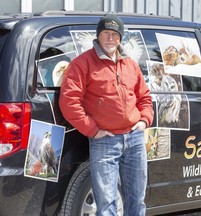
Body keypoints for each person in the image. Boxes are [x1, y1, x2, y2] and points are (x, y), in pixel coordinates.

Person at [59, 13, 154, 216]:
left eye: (114, 34)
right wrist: (93, 130)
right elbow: (68, 102)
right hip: (105, 141)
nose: (110, 38)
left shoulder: (130, 64)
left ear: (120, 38)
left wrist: (144, 121)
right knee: (106, 204)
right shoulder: (82, 63)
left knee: (137, 200)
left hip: (135, 139)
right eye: (106, 33)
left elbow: (144, 97)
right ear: (98, 36)